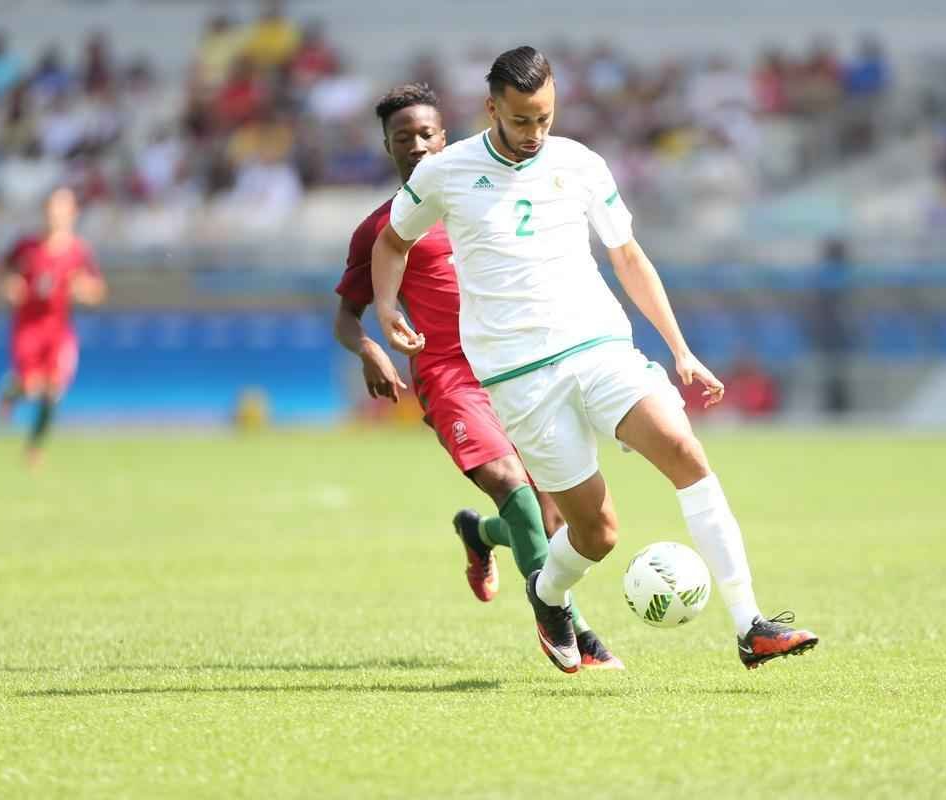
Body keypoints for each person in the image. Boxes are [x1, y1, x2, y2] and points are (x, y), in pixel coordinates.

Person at [372, 46, 818, 673]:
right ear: (492, 107)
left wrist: (680, 350)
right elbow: (393, 241)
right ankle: (548, 593)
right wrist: (388, 307)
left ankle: (751, 625)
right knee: (596, 534)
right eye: (522, 119)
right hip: (520, 378)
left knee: (687, 455)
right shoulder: (448, 172)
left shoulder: (579, 164)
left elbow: (628, 257)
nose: (535, 133)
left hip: (600, 348)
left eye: (546, 118)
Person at [334, 83, 622, 670]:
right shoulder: (383, 227)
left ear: (447, 136)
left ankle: (482, 535)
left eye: (426, 133)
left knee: (549, 516)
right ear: (387, 147)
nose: (417, 145)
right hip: (447, 374)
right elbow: (346, 314)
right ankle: (569, 624)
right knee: (508, 480)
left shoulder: (490, 196)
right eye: (402, 137)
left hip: (516, 365)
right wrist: (369, 349)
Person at [0, 187, 106, 466]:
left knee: (53, 389)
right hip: (27, 328)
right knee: (33, 386)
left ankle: (34, 447)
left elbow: (97, 289)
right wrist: (10, 285)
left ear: (73, 214)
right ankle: (11, 392)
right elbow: (5, 271)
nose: (56, 214)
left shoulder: (78, 252)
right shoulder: (26, 246)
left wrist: (85, 290)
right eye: (52, 207)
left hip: (58, 330)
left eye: (63, 208)